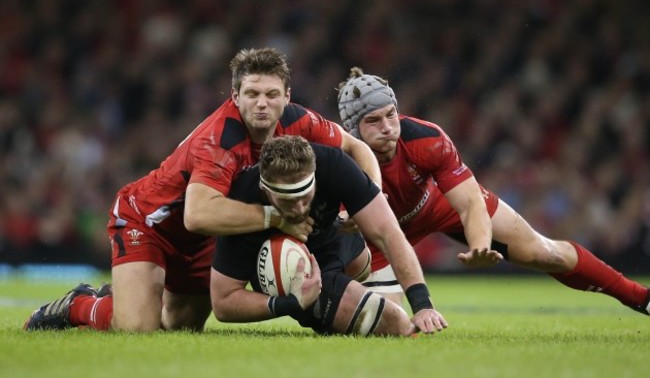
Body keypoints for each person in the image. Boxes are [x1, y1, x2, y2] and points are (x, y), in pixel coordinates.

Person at [23, 48, 380, 332]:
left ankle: (126, 295)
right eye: (252, 93)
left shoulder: (299, 121)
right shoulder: (219, 141)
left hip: (207, 239)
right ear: (235, 95)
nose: (262, 103)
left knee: (179, 325)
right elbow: (197, 214)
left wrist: (367, 203)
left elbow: (357, 148)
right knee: (136, 328)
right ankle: (81, 304)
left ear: (287, 96)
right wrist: (279, 217)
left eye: (271, 94)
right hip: (149, 223)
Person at [335, 67, 650, 315]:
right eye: (373, 121)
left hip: (437, 204)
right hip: (378, 234)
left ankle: (641, 298)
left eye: (391, 115)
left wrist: (479, 245)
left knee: (541, 252)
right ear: (351, 128)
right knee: (383, 321)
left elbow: (471, 202)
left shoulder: (425, 139)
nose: (388, 128)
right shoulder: (333, 159)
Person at [210, 135, 447, 336]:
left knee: (361, 261)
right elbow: (223, 303)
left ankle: (343, 299)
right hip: (293, 274)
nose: (300, 208)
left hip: (333, 239)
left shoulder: (333, 164)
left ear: (315, 176)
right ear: (265, 190)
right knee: (396, 323)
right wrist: (291, 303)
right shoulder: (241, 200)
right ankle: (327, 305)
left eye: (305, 196)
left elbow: (388, 232)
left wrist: (422, 304)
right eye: (287, 200)